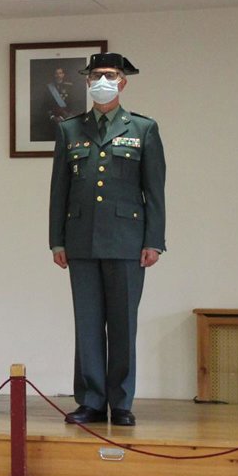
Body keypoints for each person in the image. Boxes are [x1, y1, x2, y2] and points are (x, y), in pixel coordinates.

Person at [49, 52, 165, 427]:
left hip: (127, 241)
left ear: (123, 82)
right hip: (81, 240)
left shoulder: (143, 129)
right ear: (87, 82)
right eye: (96, 76)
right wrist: (57, 241)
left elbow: (154, 191)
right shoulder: (70, 129)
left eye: (110, 75)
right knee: (87, 325)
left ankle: (122, 401)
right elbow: (59, 190)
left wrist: (154, 241)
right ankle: (91, 401)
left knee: (122, 325)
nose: (102, 82)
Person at [35, 66, 79, 142]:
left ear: (63, 74)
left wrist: (66, 115)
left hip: (66, 117)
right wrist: (52, 116)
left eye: (60, 73)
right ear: (54, 75)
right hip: (53, 119)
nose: (58, 75)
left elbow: (73, 103)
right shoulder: (48, 88)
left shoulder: (70, 87)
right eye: (56, 73)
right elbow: (45, 104)